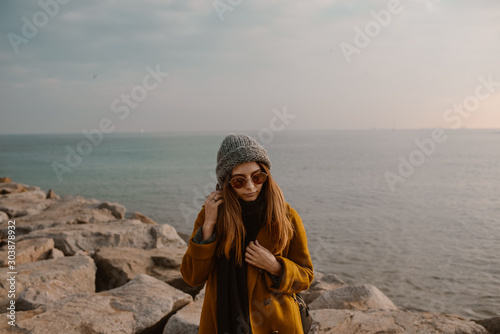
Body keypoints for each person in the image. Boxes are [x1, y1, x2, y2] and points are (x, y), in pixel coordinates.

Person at [180, 133, 314, 334]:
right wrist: (208, 226)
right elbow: (192, 277)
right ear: (227, 182)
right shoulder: (212, 215)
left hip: (273, 323)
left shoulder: (286, 216)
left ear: (266, 174)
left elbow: (306, 276)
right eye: (239, 181)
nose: (251, 186)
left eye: (257, 177)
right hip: (222, 321)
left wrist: (276, 267)